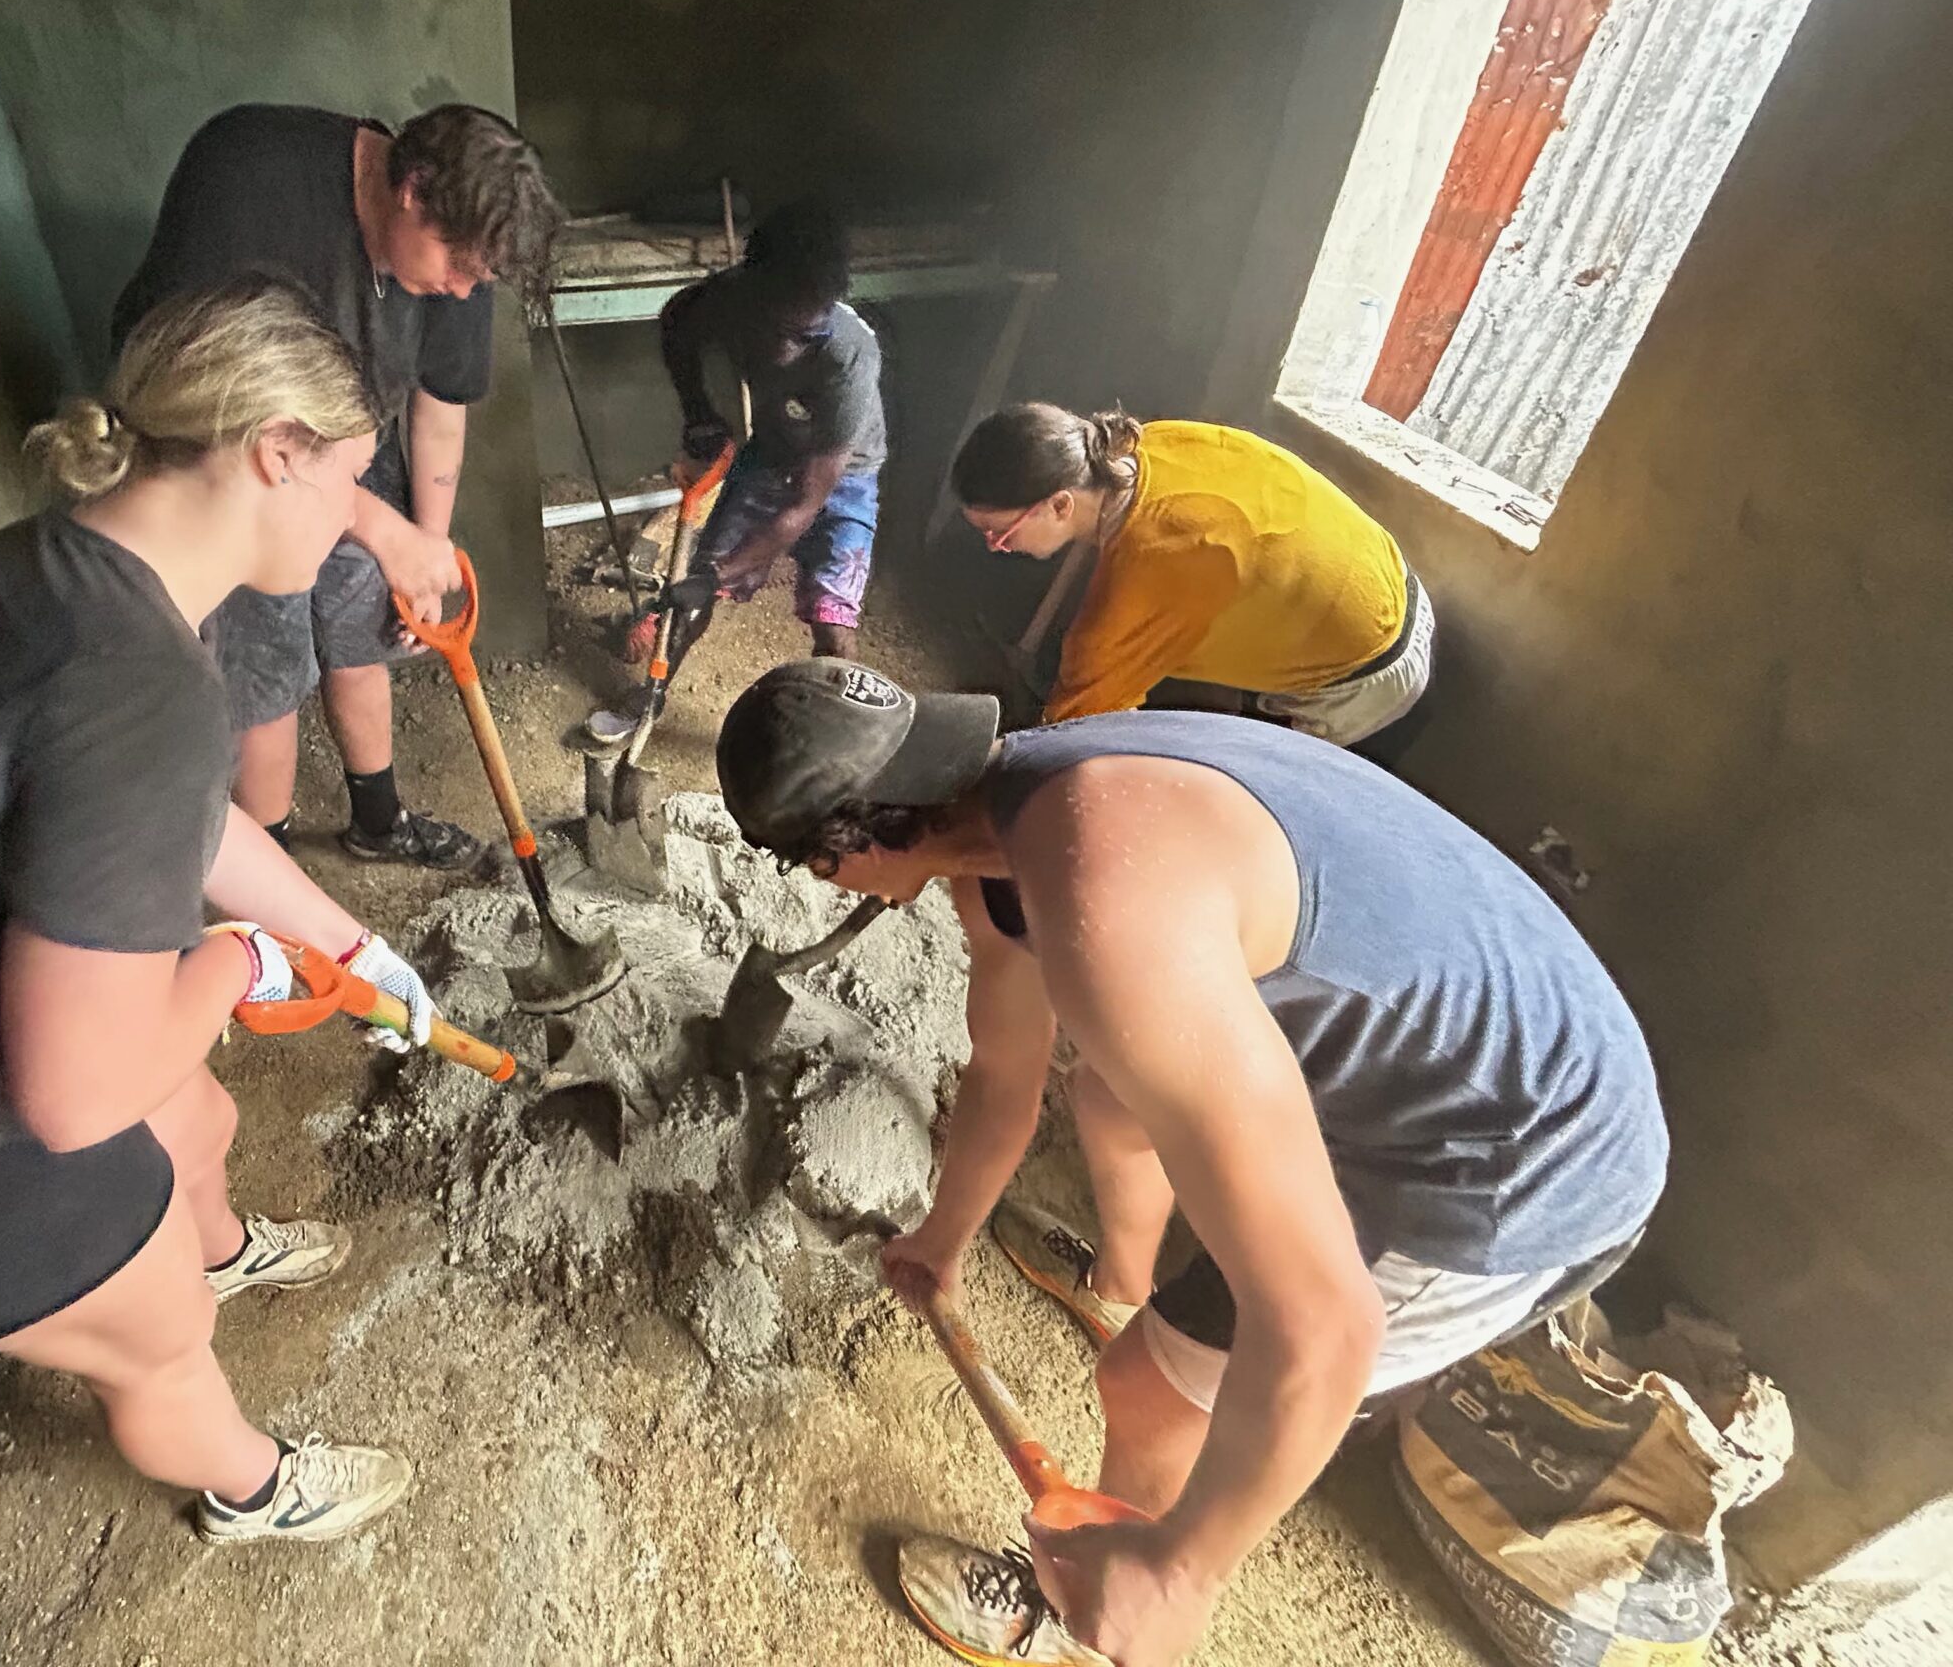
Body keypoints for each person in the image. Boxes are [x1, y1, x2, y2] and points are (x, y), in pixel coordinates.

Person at [713, 660, 1667, 1666]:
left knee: (1146, 1393)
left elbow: (1326, 1323)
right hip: (1502, 1034)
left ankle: (1094, 1611)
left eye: (810, 868)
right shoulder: (1024, 809)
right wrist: (942, 1237)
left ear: (841, 851)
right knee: (1114, 1094)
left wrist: (1181, 1575)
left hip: (1512, 1165)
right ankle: (1122, 1290)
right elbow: (1005, 1072)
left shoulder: (1103, 906)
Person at [0, 279, 451, 1549]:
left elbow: (166, 816)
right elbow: (79, 1098)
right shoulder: (136, 687)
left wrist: (344, 939)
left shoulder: (48, 572)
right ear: (277, 453)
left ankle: (215, 1242)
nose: (344, 527)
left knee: (199, 1116)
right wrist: (233, 963)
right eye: (345, 486)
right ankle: (256, 1488)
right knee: (165, 1337)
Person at [114, 102, 562, 867]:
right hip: (221, 448)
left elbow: (440, 408)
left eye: (477, 278)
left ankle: (378, 821)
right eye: (456, 268)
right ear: (413, 190)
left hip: (349, 443)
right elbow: (223, 417)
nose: (461, 291)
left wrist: (424, 540)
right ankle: (275, 863)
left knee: (364, 628)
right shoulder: (248, 178)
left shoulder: (465, 243)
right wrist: (385, 530)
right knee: (268, 662)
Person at [952, 403, 1433, 747]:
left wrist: (1011, 760)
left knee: (1225, 776)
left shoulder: (1152, 573)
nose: (997, 547)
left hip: (1364, 676)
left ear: (1060, 505)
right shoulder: (1147, 442)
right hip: (1384, 574)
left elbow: (1072, 741)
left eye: (999, 533)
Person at [586, 201, 885, 740]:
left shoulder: (849, 356)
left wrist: (712, 579)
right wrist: (699, 411)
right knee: (692, 592)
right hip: (770, 452)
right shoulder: (727, 299)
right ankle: (648, 700)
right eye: (782, 329)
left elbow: (805, 505)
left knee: (833, 616)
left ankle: (843, 739)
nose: (792, 348)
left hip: (843, 476)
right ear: (754, 289)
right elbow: (678, 320)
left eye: (809, 334)